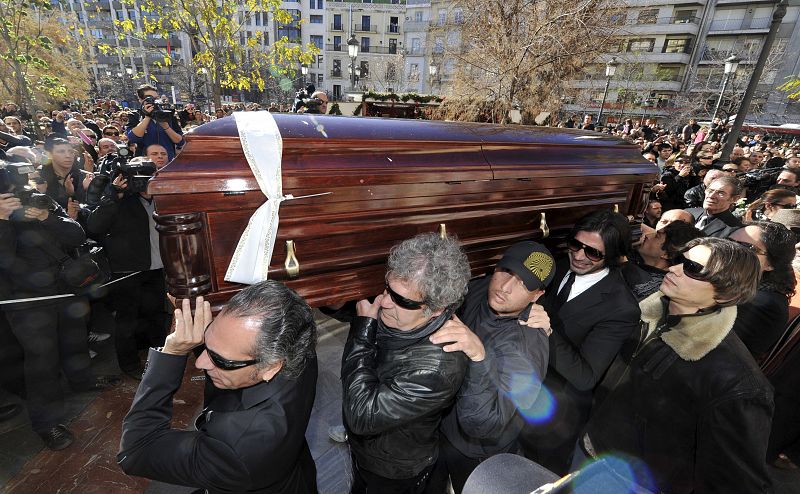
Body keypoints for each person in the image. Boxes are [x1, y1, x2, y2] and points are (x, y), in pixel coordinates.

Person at [581, 237, 772, 494]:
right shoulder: (644, 317)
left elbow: (736, 483)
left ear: (728, 293)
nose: (674, 269)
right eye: (680, 260)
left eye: (693, 268)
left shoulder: (737, 382)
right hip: (589, 452)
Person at [118, 282, 318, 493]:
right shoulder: (297, 337)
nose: (199, 363)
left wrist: (172, 354)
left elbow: (134, 452)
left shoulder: (235, 447)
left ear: (270, 367)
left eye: (220, 360)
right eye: (207, 342)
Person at [341, 233, 471, 493]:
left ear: (435, 309)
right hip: (366, 452)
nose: (385, 301)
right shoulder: (403, 312)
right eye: (387, 288)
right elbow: (360, 306)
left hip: (393, 469)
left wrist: (362, 330)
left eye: (401, 300)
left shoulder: (437, 367)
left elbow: (361, 415)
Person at [519, 210, 641, 474]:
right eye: (575, 244)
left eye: (593, 253)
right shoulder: (559, 266)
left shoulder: (621, 307)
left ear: (613, 255)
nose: (579, 255)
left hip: (554, 418)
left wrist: (548, 330)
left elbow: (585, 377)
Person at [2, 176, 120, 450]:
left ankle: (82, 380)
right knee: (42, 362)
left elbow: (76, 233)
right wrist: (3, 220)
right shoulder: (3, 214)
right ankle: (48, 423)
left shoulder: (36, 199)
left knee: (74, 341)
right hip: (26, 301)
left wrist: (46, 216)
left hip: (65, 290)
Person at [427, 241, 555, 493]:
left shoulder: (528, 344)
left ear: (537, 295)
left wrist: (479, 358)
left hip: (475, 450)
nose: (506, 287)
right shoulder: (480, 289)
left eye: (523, 283)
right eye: (506, 271)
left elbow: (487, 424)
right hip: (441, 424)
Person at [86, 157, 168, 380]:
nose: (144, 183)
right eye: (138, 178)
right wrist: (112, 195)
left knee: (156, 317)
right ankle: (129, 364)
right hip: (127, 272)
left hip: (156, 268)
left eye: (149, 177)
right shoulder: (118, 200)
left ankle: (161, 359)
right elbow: (93, 227)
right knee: (127, 321)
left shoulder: (163, 197)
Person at [729, 221, 796, 363]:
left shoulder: (763, 304)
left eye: (746, 247)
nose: (729, 250)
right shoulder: (731, 282)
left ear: (771, 264)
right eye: (728, 242)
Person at [625, 221, 703, 300]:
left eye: (656, 236)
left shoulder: (654, 289)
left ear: (667, 254)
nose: (647, 235)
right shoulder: (633, 254)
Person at [126, 84, 184, 161]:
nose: (152, 100)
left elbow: (180, 141)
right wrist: (147, 117)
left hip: (167, 160)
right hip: (144, 161)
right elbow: (133, 138)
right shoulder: (135, 115)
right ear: (140, 99)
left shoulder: (167, 114)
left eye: (155, 98)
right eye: (148, 98)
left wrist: (166, 126)